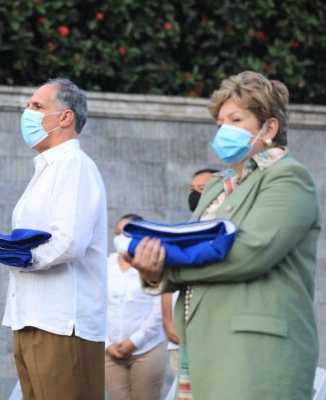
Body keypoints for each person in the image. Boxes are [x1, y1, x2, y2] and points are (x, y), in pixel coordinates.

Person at [129, 71, 321, 400]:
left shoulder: (288, 177)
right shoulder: (218, 184)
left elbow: (251, 252)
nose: (224, 130)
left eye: (236, 118)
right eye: (220, 123)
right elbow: (193, 245)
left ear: (270, 128)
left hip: (256, 352)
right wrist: (152, 266)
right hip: (203, 345)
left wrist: (168, 268)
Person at [3, 78, 108, 400]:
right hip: (30, 315)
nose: (28, 113)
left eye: (37, 107)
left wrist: (18, 256)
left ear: (65, 117)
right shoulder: (47, 168)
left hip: (62, 321)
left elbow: (69, 242)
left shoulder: (74, 165)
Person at [162, 168, 218, 377]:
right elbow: (168, 278)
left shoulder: (225, 229)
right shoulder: (184, 230)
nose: (194, 194)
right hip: (181, 334)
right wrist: (169, 322)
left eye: (201, 189)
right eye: (191, 189)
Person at [105, 214, 166, 400]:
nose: (120, 238)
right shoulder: (104, 264)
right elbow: (93, 306)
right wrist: (107, 344)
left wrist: (134, 342)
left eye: (126, 234)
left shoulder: (153, 264)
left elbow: (159, 309)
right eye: (117, 233)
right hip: (110, 351)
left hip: (146, 349)